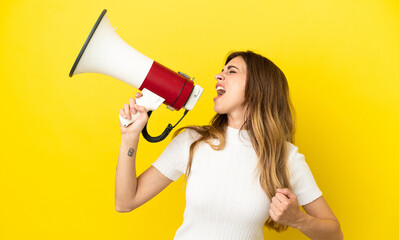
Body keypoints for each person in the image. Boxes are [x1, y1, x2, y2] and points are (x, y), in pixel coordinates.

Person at [115, 51, 343, 240]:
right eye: (221, 71)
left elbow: (335, 235)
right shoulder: (192, 142)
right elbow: (125, 202)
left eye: (231, 71)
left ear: (258, 88)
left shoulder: (285, 157)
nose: (218, 76)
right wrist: (130, 137)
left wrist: (299, 220)